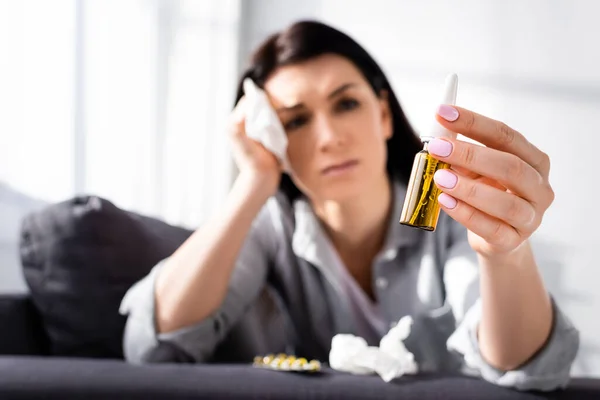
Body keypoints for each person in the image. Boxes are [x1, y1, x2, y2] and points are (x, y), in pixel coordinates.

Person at [119, 20, 579, 391]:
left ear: (382, 114)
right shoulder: (270, 228)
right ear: (273, 139)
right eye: (295, 120)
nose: (330, 137)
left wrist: (506, 253)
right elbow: (151, 349)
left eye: (346, 104)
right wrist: (254, 181)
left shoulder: (452, 207)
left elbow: (530, 369)